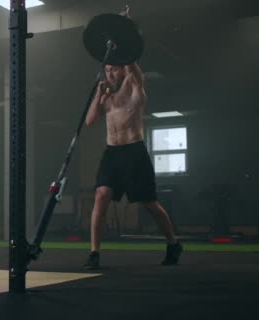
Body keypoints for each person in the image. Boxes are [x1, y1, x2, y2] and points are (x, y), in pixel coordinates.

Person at [82, 7, 182, 270]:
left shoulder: (136, 87)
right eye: (107, 70)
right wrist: (98, 94)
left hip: (134, 151)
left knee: (149, 204)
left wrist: (123, 30)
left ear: (123, 70)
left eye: (114, 69)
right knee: (101, 196)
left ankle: (173, 242)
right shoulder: (106, 97)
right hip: (112, 153)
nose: (110, 73)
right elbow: (90, 121)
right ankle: (94, 253)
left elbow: (131, 61)